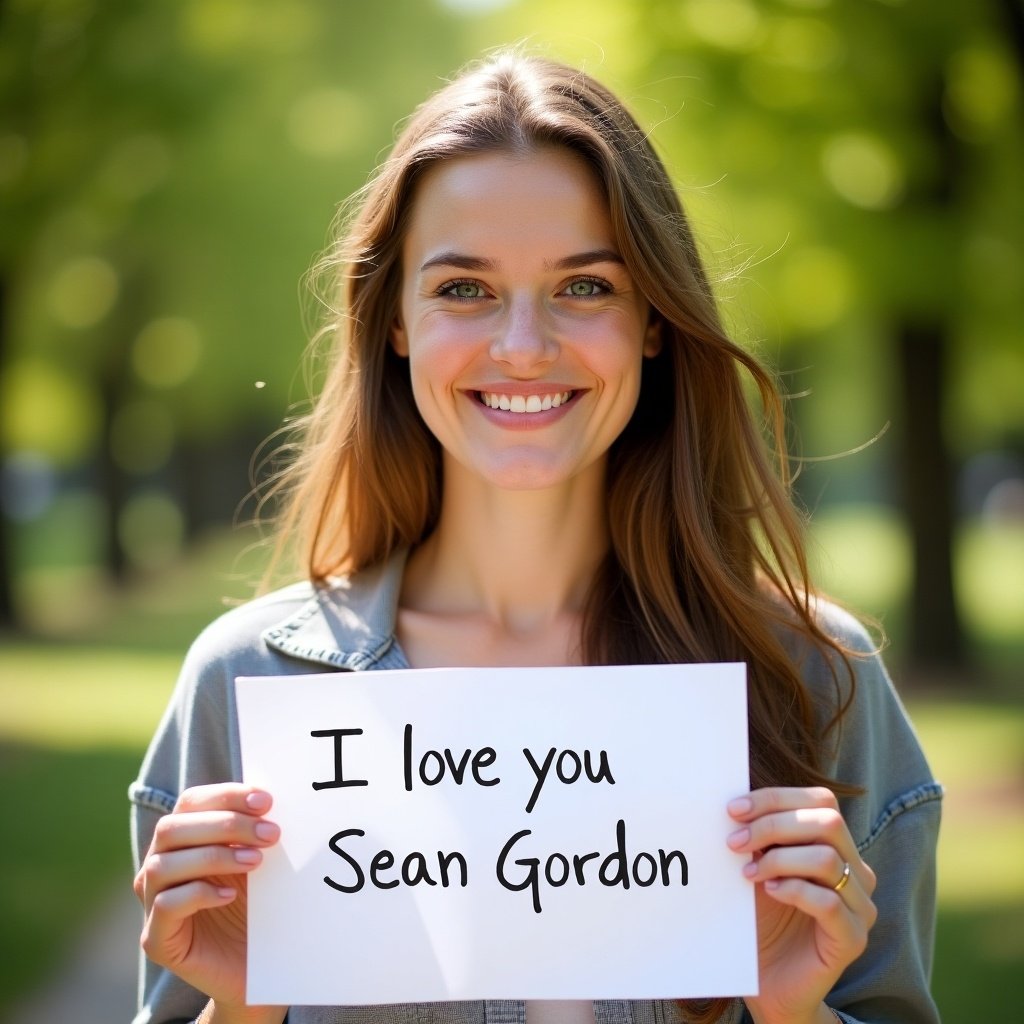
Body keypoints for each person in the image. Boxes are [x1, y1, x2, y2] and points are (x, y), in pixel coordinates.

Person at [130, 51, 942, 1024]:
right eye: (464, 289)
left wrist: (791, 1012)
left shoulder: (814, 678)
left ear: (652, 319)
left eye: (585, 287)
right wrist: (241, 1008)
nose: (521, 343)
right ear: (393, 319)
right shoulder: (245, 686)